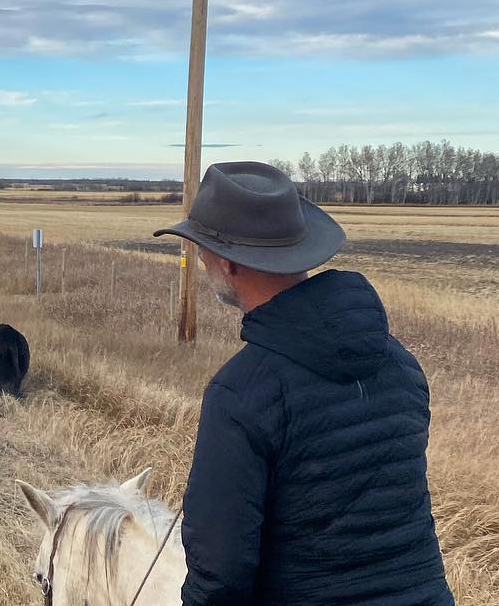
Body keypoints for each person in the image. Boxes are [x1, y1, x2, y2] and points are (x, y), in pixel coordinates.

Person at [155, 161, 452, 606]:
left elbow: (220, 579)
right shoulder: (401, 365)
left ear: (229, 263)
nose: (201, 260)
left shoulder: (240, 394)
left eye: (202, 249)